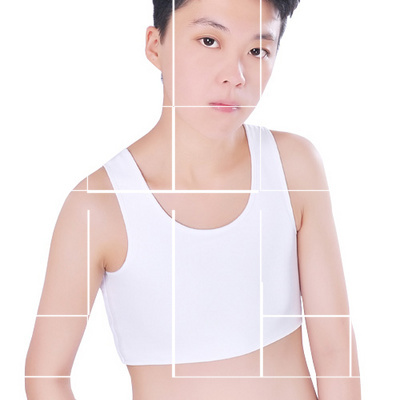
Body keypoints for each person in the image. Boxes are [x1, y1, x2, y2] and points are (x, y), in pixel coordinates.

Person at [25, 0, 362, 399]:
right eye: (209, 40)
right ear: (156, 46)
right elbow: (46, 376)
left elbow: (335, 349)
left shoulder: (293, 168)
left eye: (257, 50)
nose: (235, 76)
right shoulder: (97, 207)